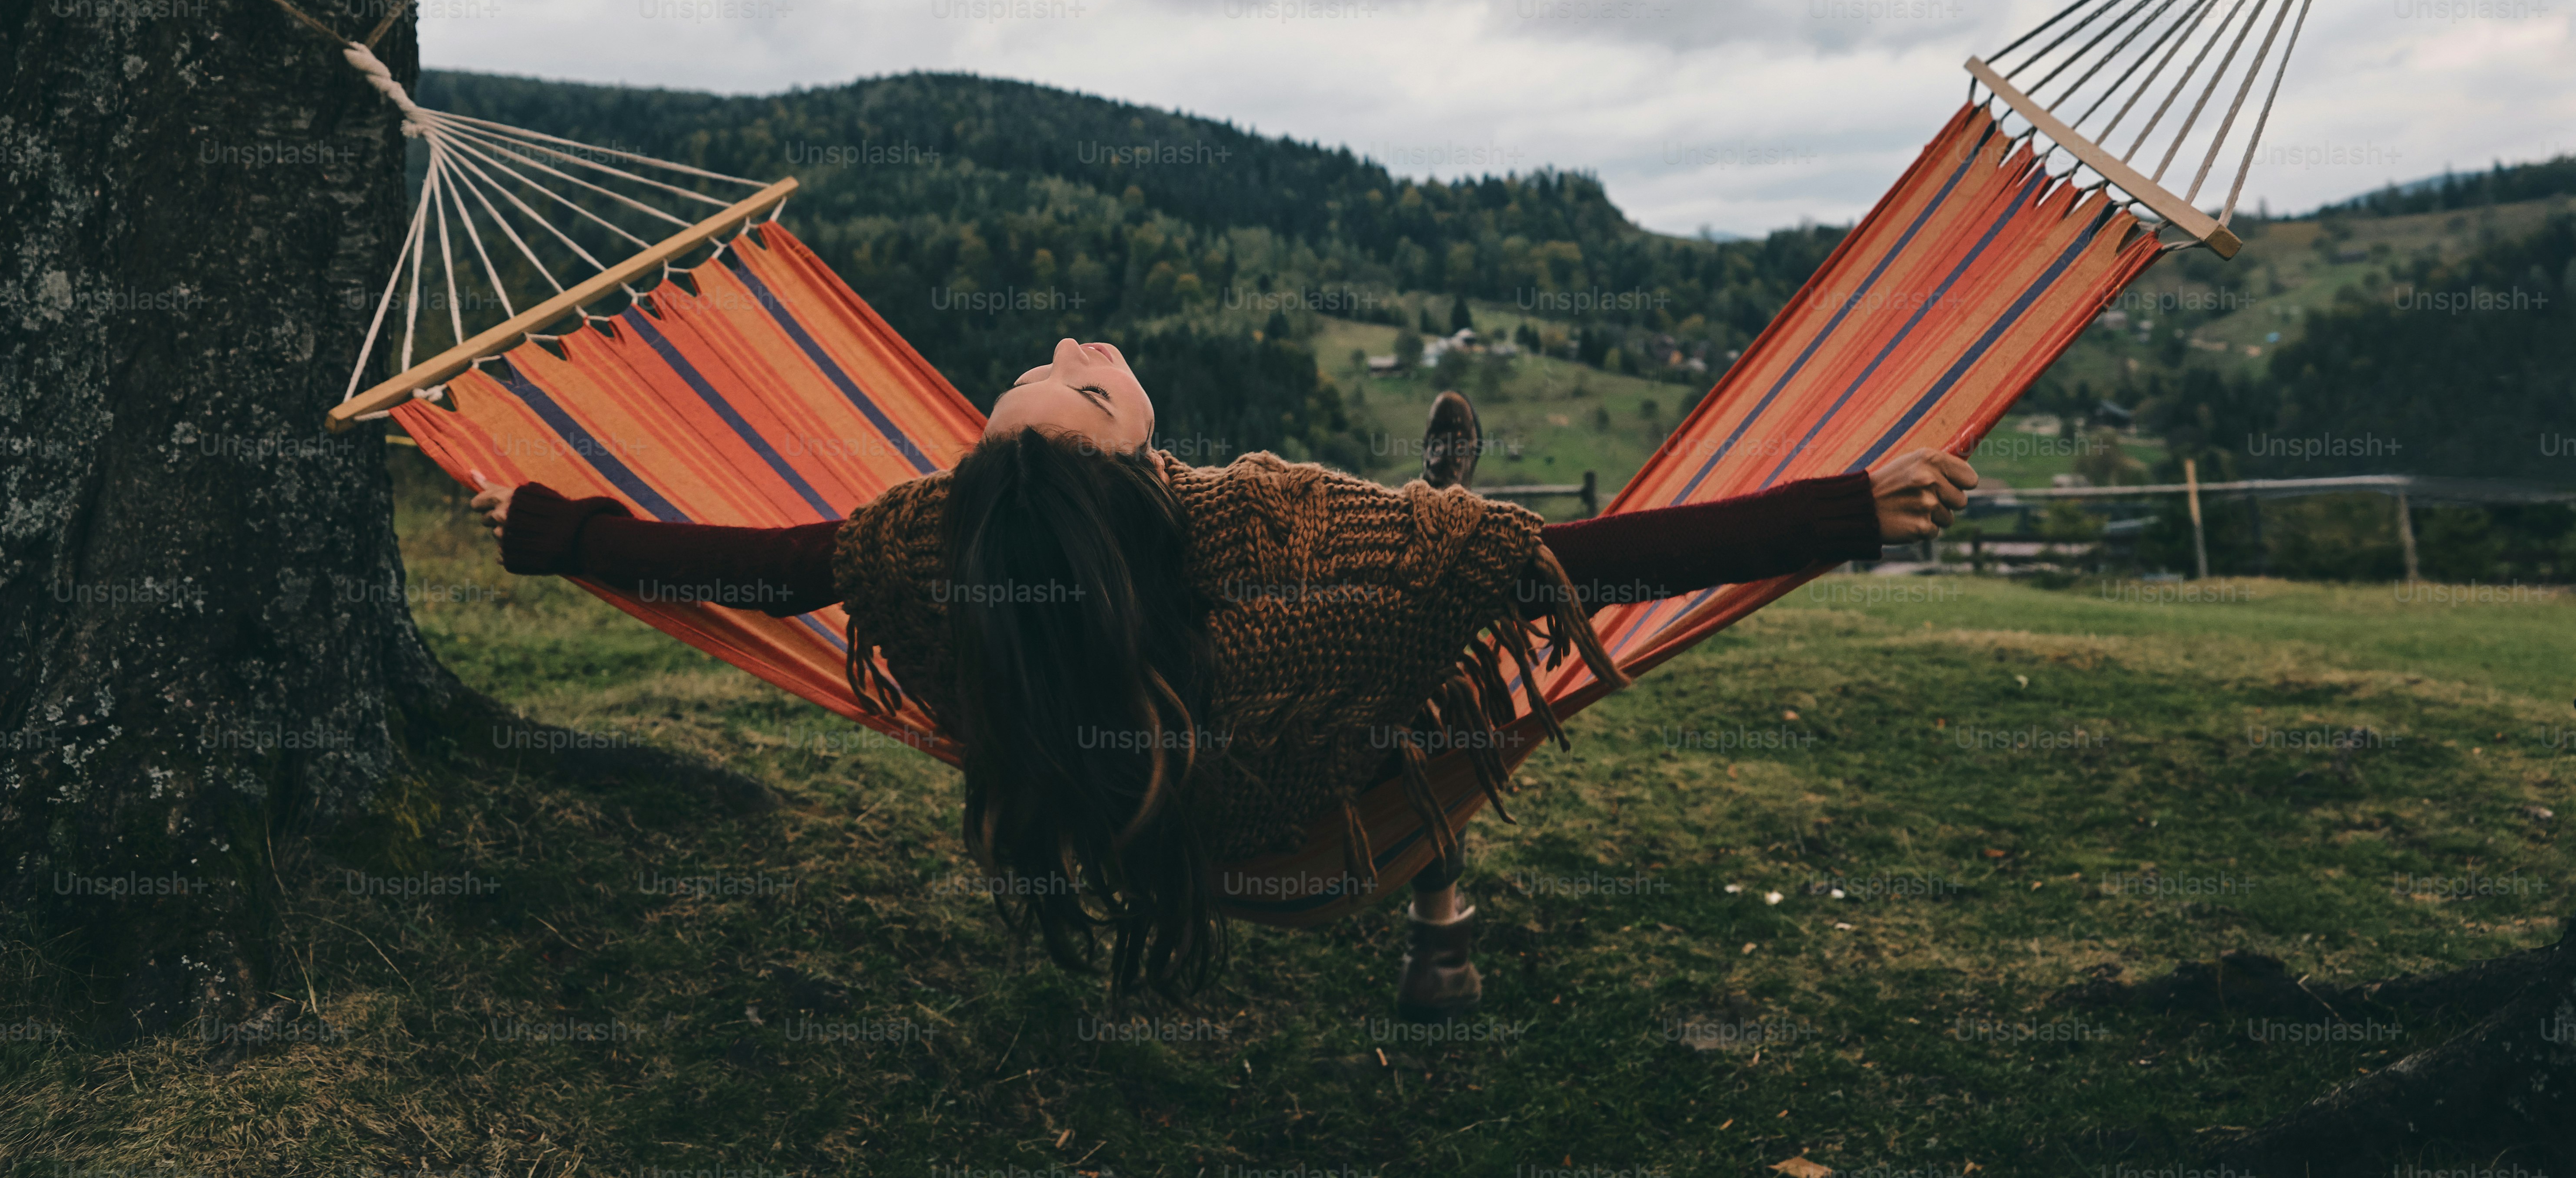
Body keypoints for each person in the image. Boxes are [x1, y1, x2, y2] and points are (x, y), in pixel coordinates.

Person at [471, 337, 1975, 1010]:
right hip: (1332, 830)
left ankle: (1448, 554)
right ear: (1122, 452)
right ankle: (1442, 889)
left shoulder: (940, 567)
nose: (1077, 341)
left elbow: (747, 568)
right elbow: (1593, 566)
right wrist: (1848, 505)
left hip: (1128, 827)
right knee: (1445, 639)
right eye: (1075, 373)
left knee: (1419, 622)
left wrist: (547, 529)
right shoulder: (1297, 554)